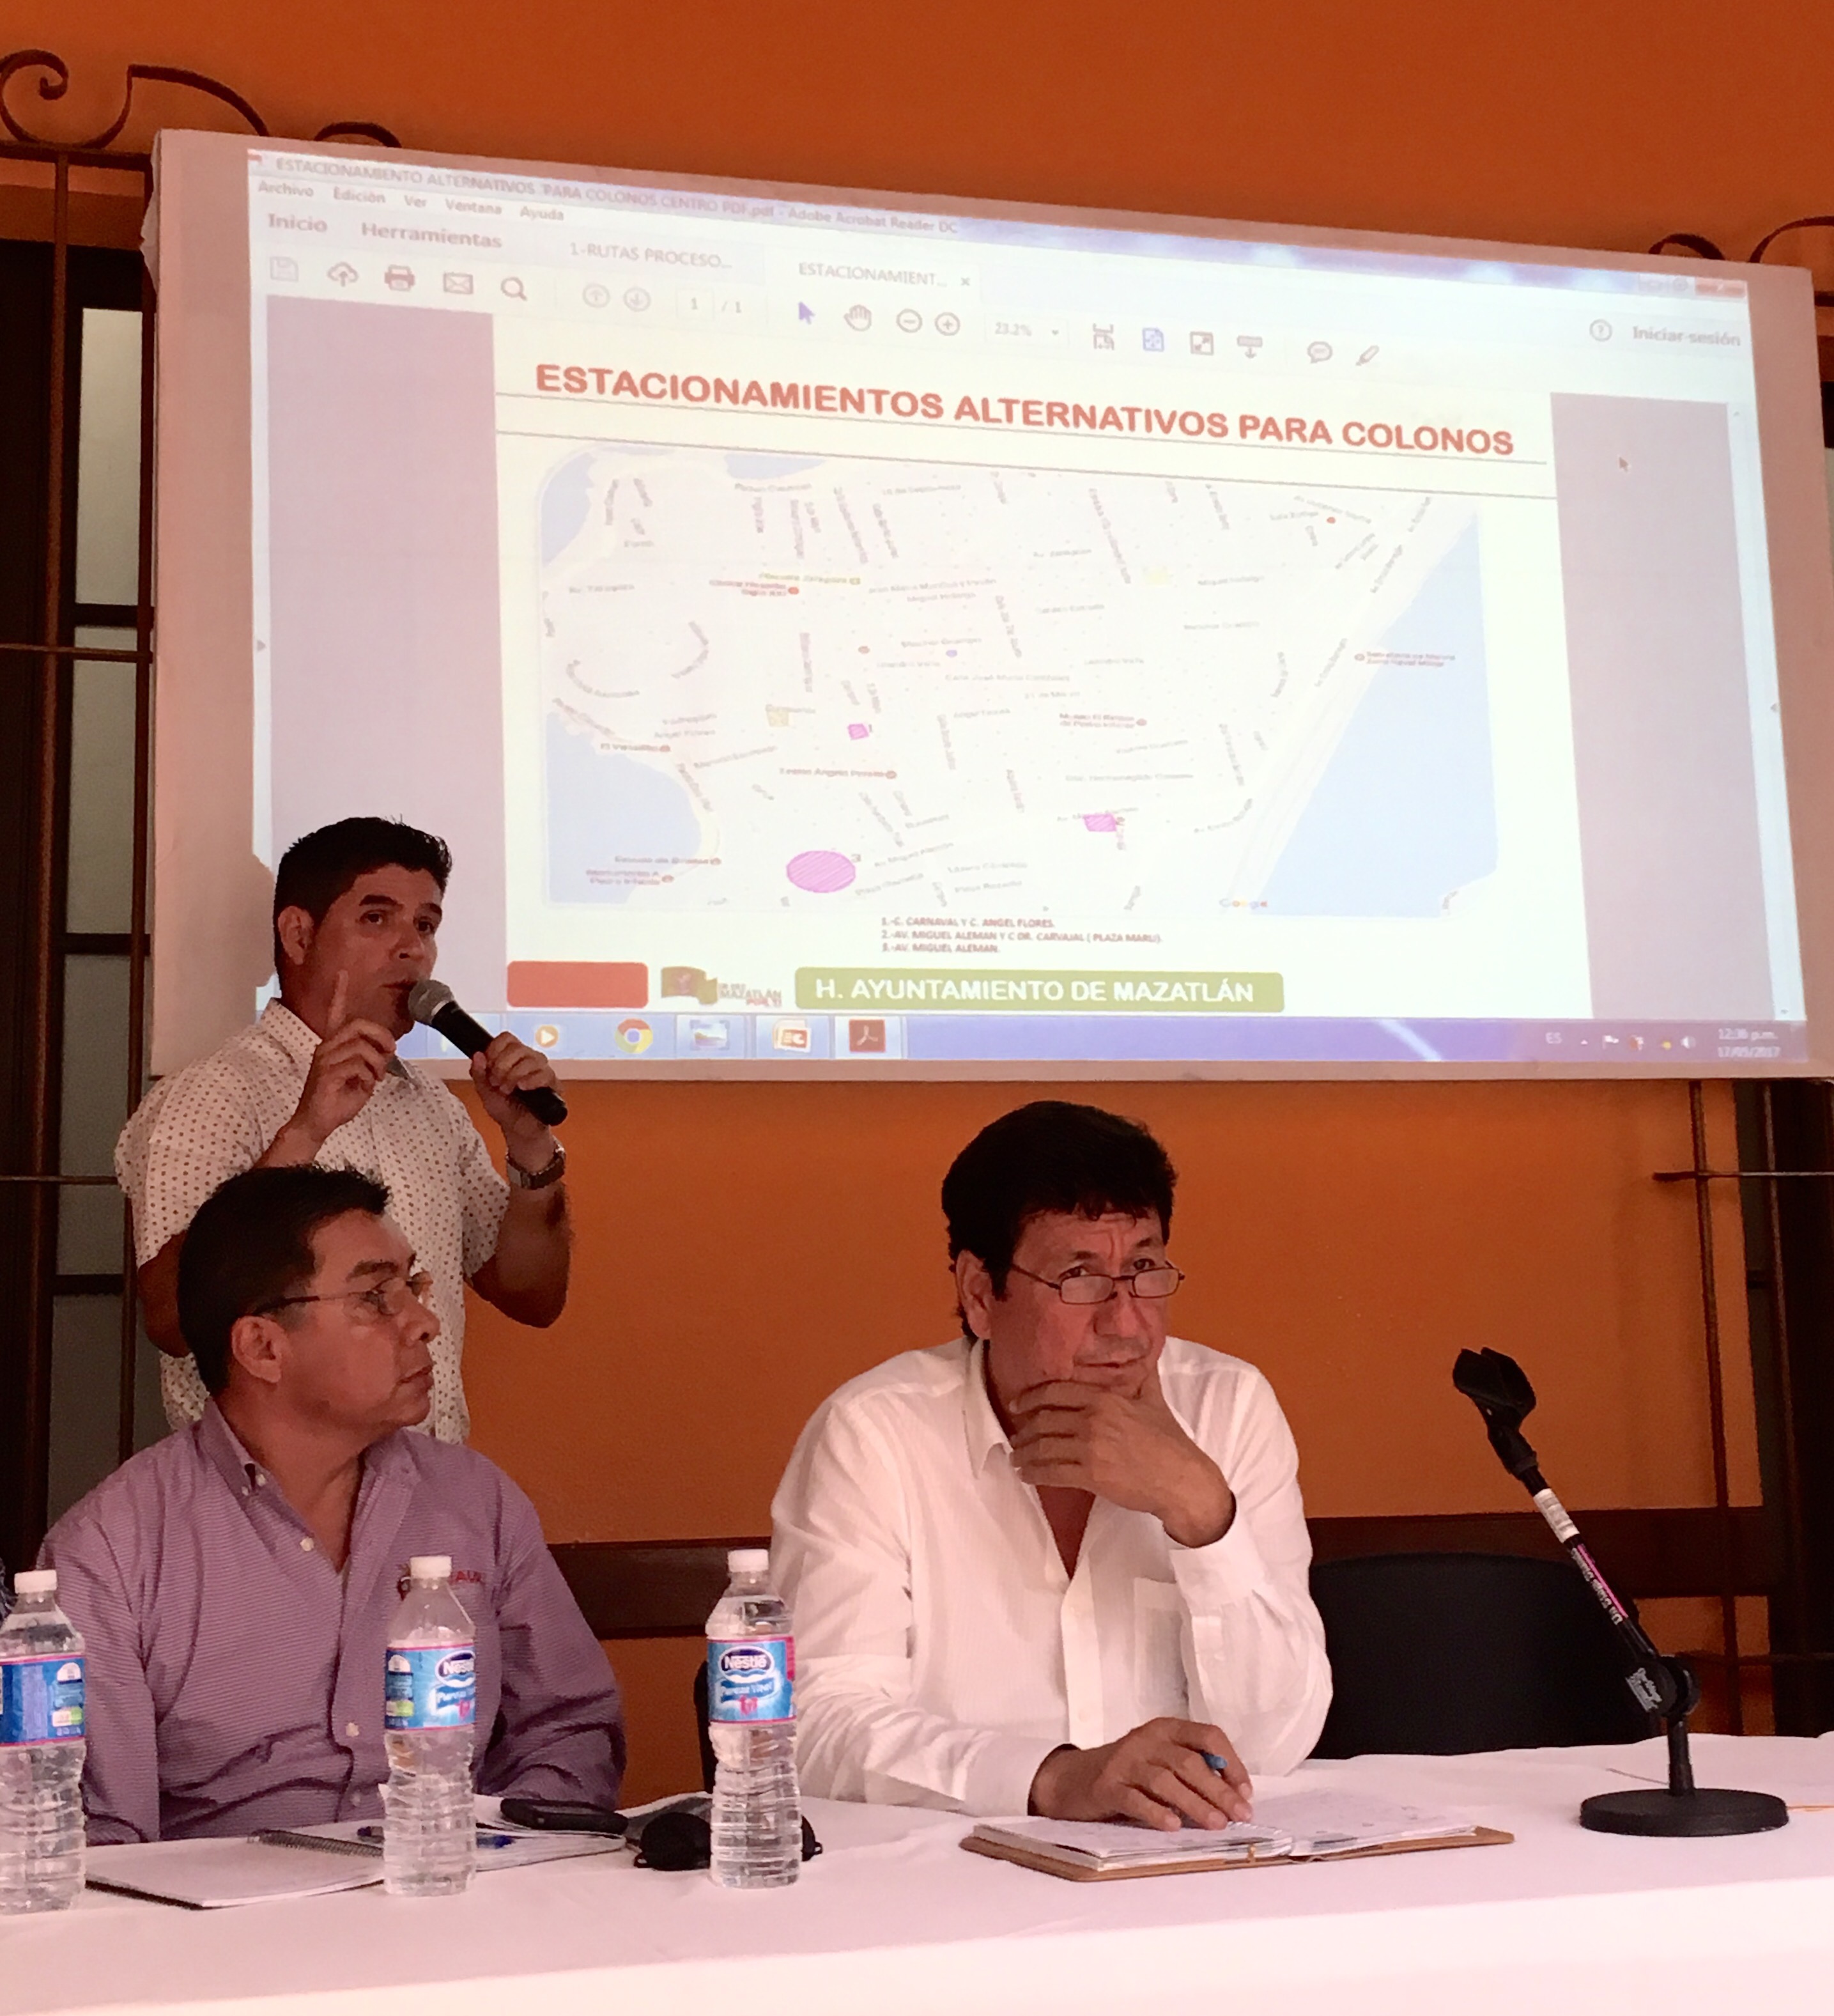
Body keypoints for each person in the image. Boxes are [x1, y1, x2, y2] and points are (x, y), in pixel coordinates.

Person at [772, 1100, 1330, 1827]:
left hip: (1187, 1864)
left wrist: (1200, 1512)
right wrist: (1051, 1778)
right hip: (948, 1871)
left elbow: (1276, 1743)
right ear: (980, 1294)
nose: (1125, 1322)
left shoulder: (1229, 1407)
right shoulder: (875, 1432)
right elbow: (814, 1723)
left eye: (1143, 1268)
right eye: (1079, 1276)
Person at [39, 1164, 623, 1843]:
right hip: (230, 1905)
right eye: (375, 1297)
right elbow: (98, 1838)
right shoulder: (113, 1549)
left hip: (454, 1883)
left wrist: (513, 1845)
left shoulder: (475, 1501)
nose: (425, 1323)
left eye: (413, 1287)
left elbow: (570, 1729)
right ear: (263, 1347)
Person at [116, 817, 570, 1443]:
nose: (412, 949)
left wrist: (531, 1150)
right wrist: (306, 1131)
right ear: (299, 935)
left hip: (424, 1481)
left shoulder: (433, 1107)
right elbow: (171, 1319)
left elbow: (532, 1297)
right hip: (269, 1491)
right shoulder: (212, 1096)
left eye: (426, 925)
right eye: (377, 918)